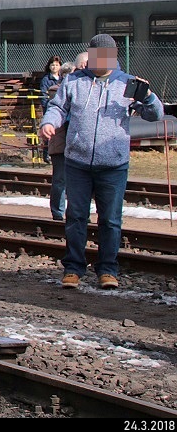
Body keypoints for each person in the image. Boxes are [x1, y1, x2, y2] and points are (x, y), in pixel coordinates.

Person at [39, 34, 164, 290]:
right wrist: (49, 122)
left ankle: (108, 270)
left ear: (114, 56)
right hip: (78, 162)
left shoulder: (127, 83)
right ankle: (73, 268)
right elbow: (58, 107)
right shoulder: (73, 81)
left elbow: (155, 114)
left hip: (113, 165)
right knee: (76, 217)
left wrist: (148, 95)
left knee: (110, 220)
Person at [43, 61, 75, 221]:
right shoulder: (56, 92)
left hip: (74, 144)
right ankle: (57, 212)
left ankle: (76, 212)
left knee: (76, 181)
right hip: (60, 143)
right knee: (60, 179)